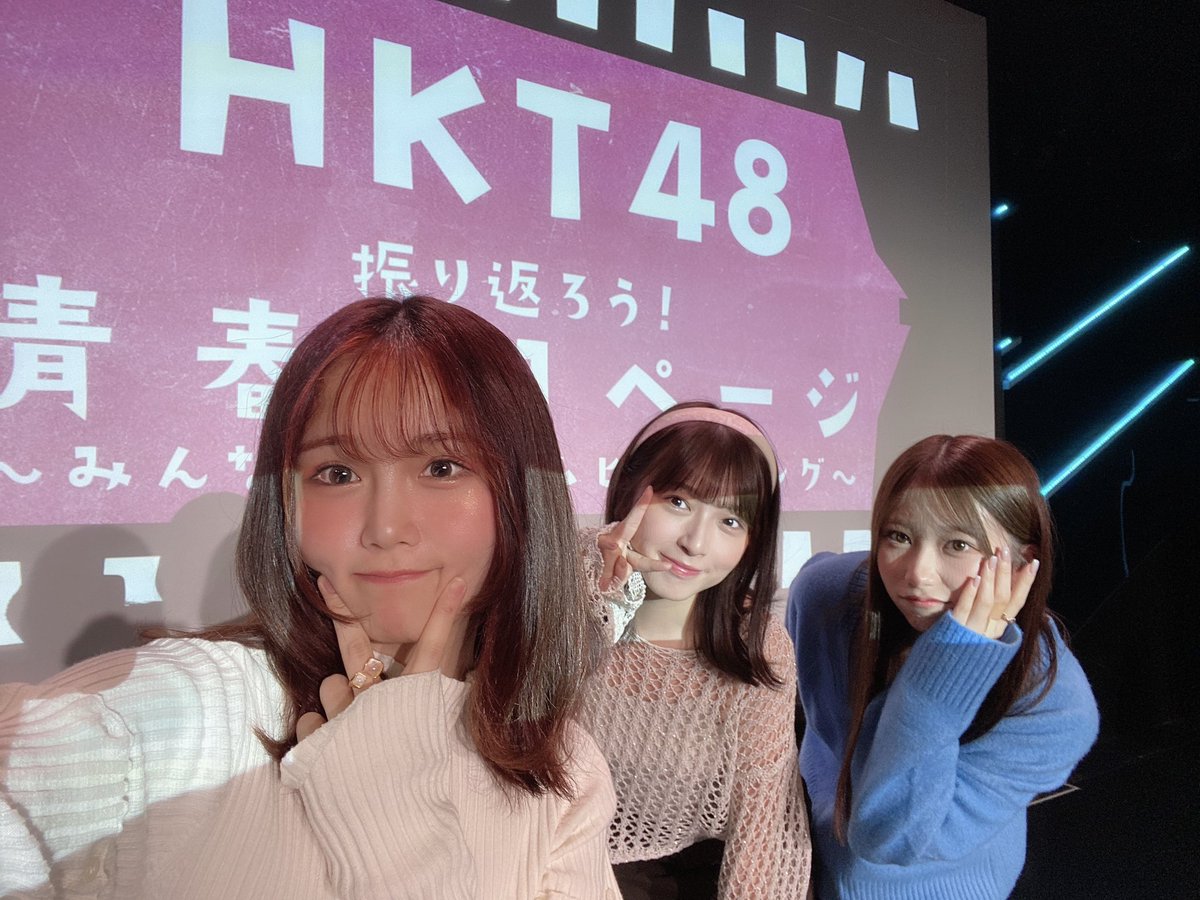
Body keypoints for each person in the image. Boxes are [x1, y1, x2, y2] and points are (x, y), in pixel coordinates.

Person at [0, 296, 620, 899]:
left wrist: (396, 794)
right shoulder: (176, 710)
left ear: (521, 497)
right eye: (337, 474)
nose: (386, 528)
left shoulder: (565, 770)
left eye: (441, 467)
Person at [786, 434, 1100, 898]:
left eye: (957, 544)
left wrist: (947, 669)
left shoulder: (1054, 705)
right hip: (806, 867)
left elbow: (888, 836)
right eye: (899, 536)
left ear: (1023, 562)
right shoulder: (824, 597)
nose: (918, 573)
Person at [579, 402, 811, 900]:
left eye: (731, 520)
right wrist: (596, 583)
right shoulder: (569, 598)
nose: (696, 543)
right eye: (679, 502)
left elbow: (760, 829)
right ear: (628, 490)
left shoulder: (758, 645)